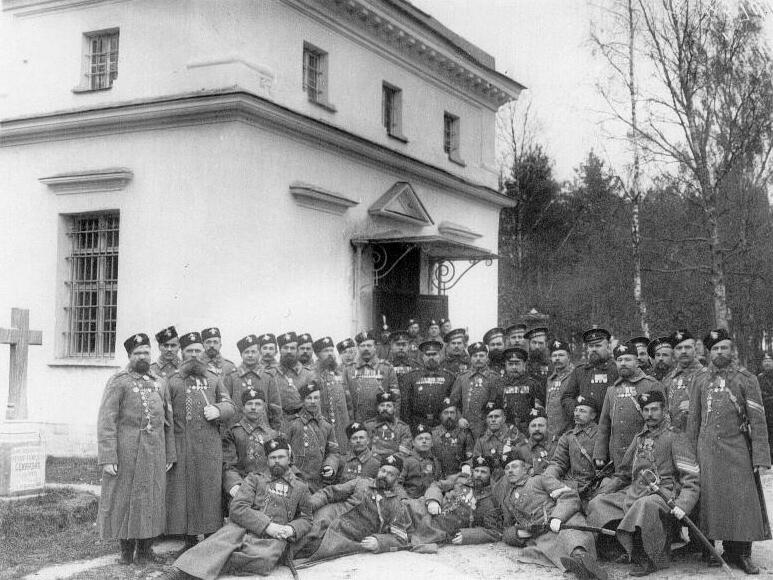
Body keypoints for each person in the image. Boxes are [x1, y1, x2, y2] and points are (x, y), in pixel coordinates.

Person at [161, 438, 312, 580]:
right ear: (267, 460)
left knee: (264, 559)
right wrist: (267, 525)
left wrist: (291, 529)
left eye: (281, 457)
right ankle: (181, 571)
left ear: (289, 458)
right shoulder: (255, 479)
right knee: (221, 541)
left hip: (275, 536)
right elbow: (238, 507)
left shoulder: (300, 487)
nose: (277, 461)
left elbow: (306, 518)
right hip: (243, 527)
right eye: (273, 458)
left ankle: (207, 565)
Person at [587, 391, 700, 576]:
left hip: (664, 493)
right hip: (635, 490)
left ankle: (647, 558)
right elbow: (623, 473)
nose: (650, 414)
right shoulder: (640, 438)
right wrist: (604, 491)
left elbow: (691, 477)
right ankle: (615, 550)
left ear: (664, 411)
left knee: (644, 505)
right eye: (646, 410)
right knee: (598, 503)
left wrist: (683, 504)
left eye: (654, 409)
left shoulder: (675, 437)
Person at [687, 328, 771, 574]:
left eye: (724, 347)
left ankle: (741, 553)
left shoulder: (746, 378)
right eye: (715, 348)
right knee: (712, 501)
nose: (720, 352)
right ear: (708, 352)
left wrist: (761, 456)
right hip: (707, 451)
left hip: (737, 449)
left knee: (742, 502)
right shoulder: (700, 380)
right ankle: (713, 550)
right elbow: (693, 419)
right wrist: (689, 456)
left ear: (732, 350)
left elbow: (758, 420)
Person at [97, 333, 175, 565]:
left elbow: (168, 421)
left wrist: (169, 453)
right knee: (124, 499)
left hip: (155, 452)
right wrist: (108, 456)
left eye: (146, 352)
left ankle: (145, 550)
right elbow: (106, 420)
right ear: (130, 356)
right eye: (138, 353)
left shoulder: (160, 382)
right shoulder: (118, 381)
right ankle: (126, 552)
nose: (143, 356)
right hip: (127, 452)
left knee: (151, 499)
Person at [167, 331, 236, 548]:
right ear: (182, 353)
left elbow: (230, 406)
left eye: (198, 350)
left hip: (208, 446)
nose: (195, 355)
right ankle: (188, 541)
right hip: (182, 445)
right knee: (184, 492)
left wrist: (218, 409)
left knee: (208, 491)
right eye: (190, 351)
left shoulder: (214, 379)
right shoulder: (172, 381)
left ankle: (209, 539)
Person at [496, 454, 607, 580]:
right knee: (542, 548)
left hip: (565, 520)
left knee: (571, 535)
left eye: (514, 466)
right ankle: (580, 568)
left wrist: (557, 517)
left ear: (526, 469)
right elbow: (507, 527)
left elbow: (569, 495)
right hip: (543, 533)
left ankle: (582, 559)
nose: (510, 470)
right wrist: (518, 534)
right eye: (507, 468)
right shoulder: (508, 500)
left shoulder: (540, 480)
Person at [299, 454, 413, 564]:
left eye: (390, 474)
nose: (384, 475)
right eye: (383, 471)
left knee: (313, 549)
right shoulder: (362, 482)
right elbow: (330, 492)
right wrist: (308, 506)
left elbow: (401, 538)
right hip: (330, 515)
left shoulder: (396, 503)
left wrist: (379, 542)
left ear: (397, 479)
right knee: (303, 532)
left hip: (347, 534)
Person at [594, 341, 663, 469]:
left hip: (645, 453)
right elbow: (604, 424)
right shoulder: (612, 390)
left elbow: (663, 421)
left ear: (637, 362)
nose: (623, 363)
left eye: (627, 359)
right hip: (618, 455)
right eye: (619, 360)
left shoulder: (651, 385)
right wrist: (600, 453)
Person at [419, 455, 502, 545]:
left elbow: (494, 531)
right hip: (425, 508)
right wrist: (433, 500)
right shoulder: (461, 479)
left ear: (491, 474)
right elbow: (436, 485)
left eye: (483, 472)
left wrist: (468, 536)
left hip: (438, 528)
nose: (478, 475)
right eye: (476, 471)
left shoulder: (492, 498)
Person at [221, 389, 279, 512]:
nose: (253, 408)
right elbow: (228, 466)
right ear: (242, 408)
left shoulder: (273, 435)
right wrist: (236, 486)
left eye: (258, 404)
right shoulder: (233, 433)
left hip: (269, 490)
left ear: (264, 408)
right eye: (249, 404)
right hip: (243, 490)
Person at [544, 395, 602, 507]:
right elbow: (558, 462)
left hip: (596, 486)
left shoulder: (602, 435)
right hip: (573, 486)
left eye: (582, 411)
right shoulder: (568, 437)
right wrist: (549, 475)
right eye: (575, 410)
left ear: (593, 415)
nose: (577, 414)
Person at [284, 381, 340, 492]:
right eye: (309, 398)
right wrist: (295, 474)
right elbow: (284, 452)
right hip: (296, 480)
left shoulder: (326, 426)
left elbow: (333, 452)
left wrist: (330, 466)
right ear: (303, 401)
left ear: (320, 400)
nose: (313, 402)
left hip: (319, 482)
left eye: (316, 398)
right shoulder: (293, 425)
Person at [222, 334, 281, 430]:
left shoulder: (268, 377)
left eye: (253, 352)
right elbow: (225, 405)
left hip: (263, 429)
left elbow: (275, 408)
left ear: (259, 353)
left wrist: (276, 431)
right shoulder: (231, 377)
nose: (250, 355)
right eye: (246, 352)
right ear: (241, 355)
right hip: (236, 430)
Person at [561, 328, 618, 422]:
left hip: (609, 425)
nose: (594, 349)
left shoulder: (615, 370)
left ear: (608, 347)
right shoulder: (580, 371)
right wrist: (578, 412)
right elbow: (567, 397)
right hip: (583, 426)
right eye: (591, 346)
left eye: (598, 345)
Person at [344, 330, 399, 422]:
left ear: (375, 347)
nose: (366, 349)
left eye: (369, 345)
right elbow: (346, 400)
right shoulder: (348, 369)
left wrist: (394, 422)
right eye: (362, 346)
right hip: (357, 421)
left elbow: (396, 398)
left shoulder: (386, 368)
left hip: (381, 421)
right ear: (358, 348)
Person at [401, 339, 456, 430]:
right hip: (417, 423)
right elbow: (406, 405)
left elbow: (454, 402)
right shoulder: (411, 376)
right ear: (423, 357)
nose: (431, 357)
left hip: (442, 423)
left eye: (434, 354)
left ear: (440, 356)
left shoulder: (449, 377)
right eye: (428, 354)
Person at [311, 336, 352, 454]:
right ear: (317, 354)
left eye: (331, 350)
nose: (330, 354)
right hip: (323, 423)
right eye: (325, 351)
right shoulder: (312, 374)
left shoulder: (339, 372)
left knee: (344, 453)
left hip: (342, 424)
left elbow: (348, 399)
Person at [450, 341, 500, 439]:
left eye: (481, 356)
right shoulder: (462, 378)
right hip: (465, 427)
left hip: (488, 427)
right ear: (470, 358)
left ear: (487, 358)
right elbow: (453, 403)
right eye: (475, 356)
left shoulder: (494, 378)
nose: (478, 359)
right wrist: (459, 418)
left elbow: (499, 403)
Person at [661, 330, 707, 433]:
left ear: (695, 349)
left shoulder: (707, 377)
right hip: (675, 439)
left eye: (687, 347)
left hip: (701, 438)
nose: (683, 351)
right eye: (679, 348)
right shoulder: (668, 380)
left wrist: (695, 407)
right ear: (673, 352)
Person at [496, 346, 544, 433]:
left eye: (517, 363)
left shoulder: (533, 384)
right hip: (505, 429)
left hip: (528, 429)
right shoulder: (499, 384)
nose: (514, 367)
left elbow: (539, 409)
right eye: (510, 364)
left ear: (524, 364)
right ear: (505, 365)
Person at [472, 398, 525, 478]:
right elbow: (476, 460)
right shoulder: (481, 440)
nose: (493, 420)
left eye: (496, 417)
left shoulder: (514, 435)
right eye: (490, 417)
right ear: (486, 420)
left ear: (504, 419)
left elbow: (525, 459)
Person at [275, 331, 313, 430]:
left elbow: (312, 404)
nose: (289, 351)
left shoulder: (308, 374)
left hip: (302, 424)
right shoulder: (271, 374)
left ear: (297, 350)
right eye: (285, 348)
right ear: (280, 350)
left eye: (292, 348)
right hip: (278, 424)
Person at [432, 400, 475, 477]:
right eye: (446, 413)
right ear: (441, 415)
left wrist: (465, 469)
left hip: (458, 477)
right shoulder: (433, 433)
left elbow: (471, 457)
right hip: (436, 477)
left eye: (452, 413)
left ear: (456, 415)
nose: (449, 416)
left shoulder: (464, 433)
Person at [364, 391, 412, 458]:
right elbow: (363, 448)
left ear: (394, 409)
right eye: (382, 405)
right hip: (373, 461)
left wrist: (389, 461)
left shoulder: (403, 427)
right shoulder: (368, 426)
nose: (385, 408)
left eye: (388, 406)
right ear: (378, 408)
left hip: (394, 463)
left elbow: (404, 452)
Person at [402, 423, 442, 498]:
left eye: (427, 439)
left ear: (432, 443)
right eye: (420, 439)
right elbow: (397, 484)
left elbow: (439, 482)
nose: (424, 441)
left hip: (431, 500)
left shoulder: (436, 462)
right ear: (413, 443)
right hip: (410, 500)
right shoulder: (406, 461)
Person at [545, 339, 575, 443]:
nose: (557, 358)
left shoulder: (575, 376)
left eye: (561, 355)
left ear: (569, 357)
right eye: (554, 356)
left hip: (569, 433)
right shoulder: (550, 379)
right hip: (552, 435)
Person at [513, 408, 555, 475]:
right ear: (528, 429)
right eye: (533, 426)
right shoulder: (520, 449)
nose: (537, 429)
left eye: (541, 425)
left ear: (547, 427)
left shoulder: (557, 446)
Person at [757, 352, 773, 460]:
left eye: (769, 361)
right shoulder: (759, 378)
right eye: (765, 361)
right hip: (765, 412)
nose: (767, 363)